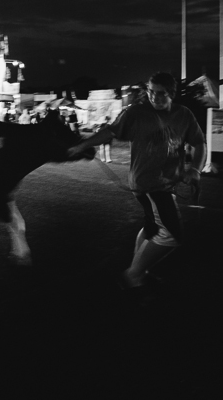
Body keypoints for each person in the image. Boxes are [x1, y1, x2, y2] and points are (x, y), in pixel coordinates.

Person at [68, 72, 206, 290]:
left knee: (152, 227)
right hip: (148, 183)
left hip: (167, 182)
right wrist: (81, 145)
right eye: (150, 92)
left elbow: (199, 143)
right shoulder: (136, 112)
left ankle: (140, 272)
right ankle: (133, 275)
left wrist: (195, 169)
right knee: (172, 234)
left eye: (160, 93)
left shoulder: (184, 115)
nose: (154, 97)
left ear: (171, 93)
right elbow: (110, 132)